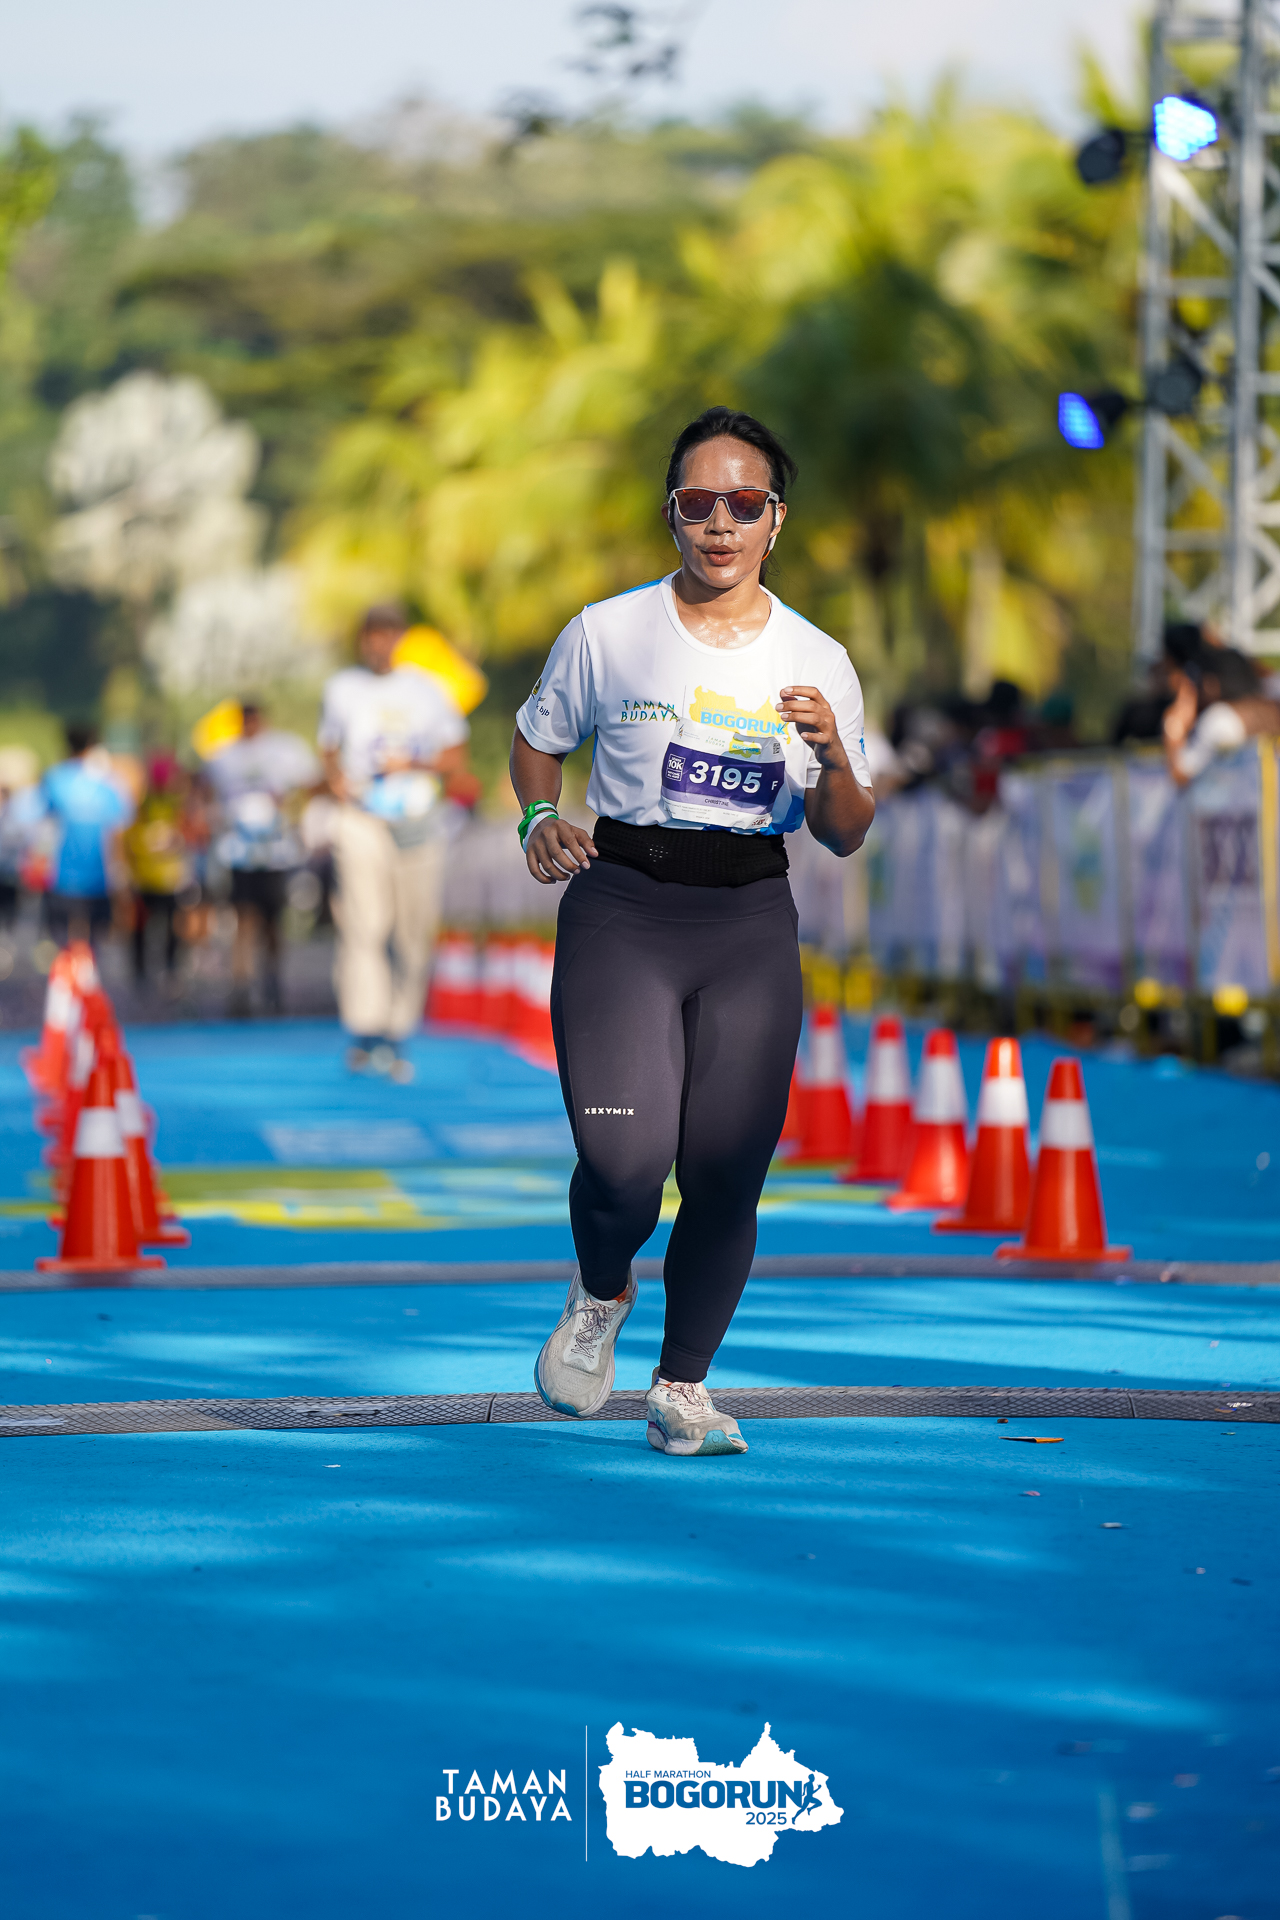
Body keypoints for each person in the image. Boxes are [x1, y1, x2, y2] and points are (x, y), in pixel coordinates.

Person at [512, 406, 875, 1457]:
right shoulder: (606, 633)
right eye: (698, 502)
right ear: (670, 515)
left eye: (744, 503)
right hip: (623, 906)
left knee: (725, 1172)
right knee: (623, 1164)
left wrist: (831, 754)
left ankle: (682, 1386)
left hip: (748, 919)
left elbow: (844, 832)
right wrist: (538, 816)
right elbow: (536, 742)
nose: (721, 523)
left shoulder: (818, 659)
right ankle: (600, 1289)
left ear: (776, 520)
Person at [319, 605, 470, 1083]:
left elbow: (454, 755)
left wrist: (412, 765)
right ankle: (366, 1029)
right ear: (361, 640)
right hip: (361, 817)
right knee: (363, 923)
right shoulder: (342, 688)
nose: (379, 644)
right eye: (372, 635)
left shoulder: (427, 690)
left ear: (400, 638)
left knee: (413, 928)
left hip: (417, 817)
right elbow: (328, 748)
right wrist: (336, 780)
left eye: (388, 635)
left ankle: (397, 1029)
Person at [206, 700, 319, 1016]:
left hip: (275, 852)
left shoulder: (286, 750)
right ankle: (241, 985)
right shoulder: (223, 757)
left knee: (272, 923)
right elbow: (206, 794)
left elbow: (310, 785)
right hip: (240, 853)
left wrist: (292, 809)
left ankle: (272, 981)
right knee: (243, 919)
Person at [31, 722, 133, 947]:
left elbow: (42, 829)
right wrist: (121, 879)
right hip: (98, 880)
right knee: (93, 945)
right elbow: (117, 835)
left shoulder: (53, 780)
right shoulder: (108, 784)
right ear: (92, 748)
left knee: (62, 946)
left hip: (60, 879)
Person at [1162, 638, 1280, 786]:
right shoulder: (1268, 698)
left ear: (1211, 685)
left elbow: (1180, 774)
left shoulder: (1220, 719)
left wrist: (1173, 728)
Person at [123, 754, 196, 987]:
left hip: (170, 877)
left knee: (172, 927)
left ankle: (170, 969)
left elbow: (189, 834)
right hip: (145, 876)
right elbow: (129, 837)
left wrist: (176, 841)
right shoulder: (143, 806)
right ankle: (141, 972)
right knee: (141, 927)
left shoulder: (177, 805)